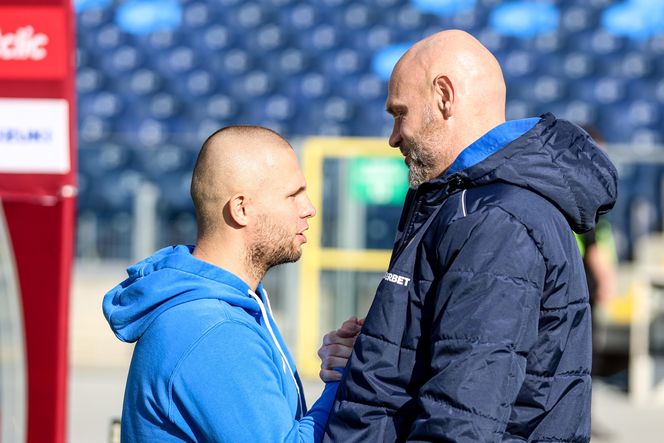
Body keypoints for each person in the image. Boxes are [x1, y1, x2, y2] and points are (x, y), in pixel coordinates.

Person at [324, 30, 618, 442]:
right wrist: (372, 356)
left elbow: (461, 418)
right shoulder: (469, 204)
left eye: (399, 113)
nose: (393, 137)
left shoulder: (497, 219)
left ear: (444, 96)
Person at [103, 126, 362, 442]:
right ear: (241, 209)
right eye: (293, 195)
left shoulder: (225, 307)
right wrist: (346, 378)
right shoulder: (213, 329)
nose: (309, 209)